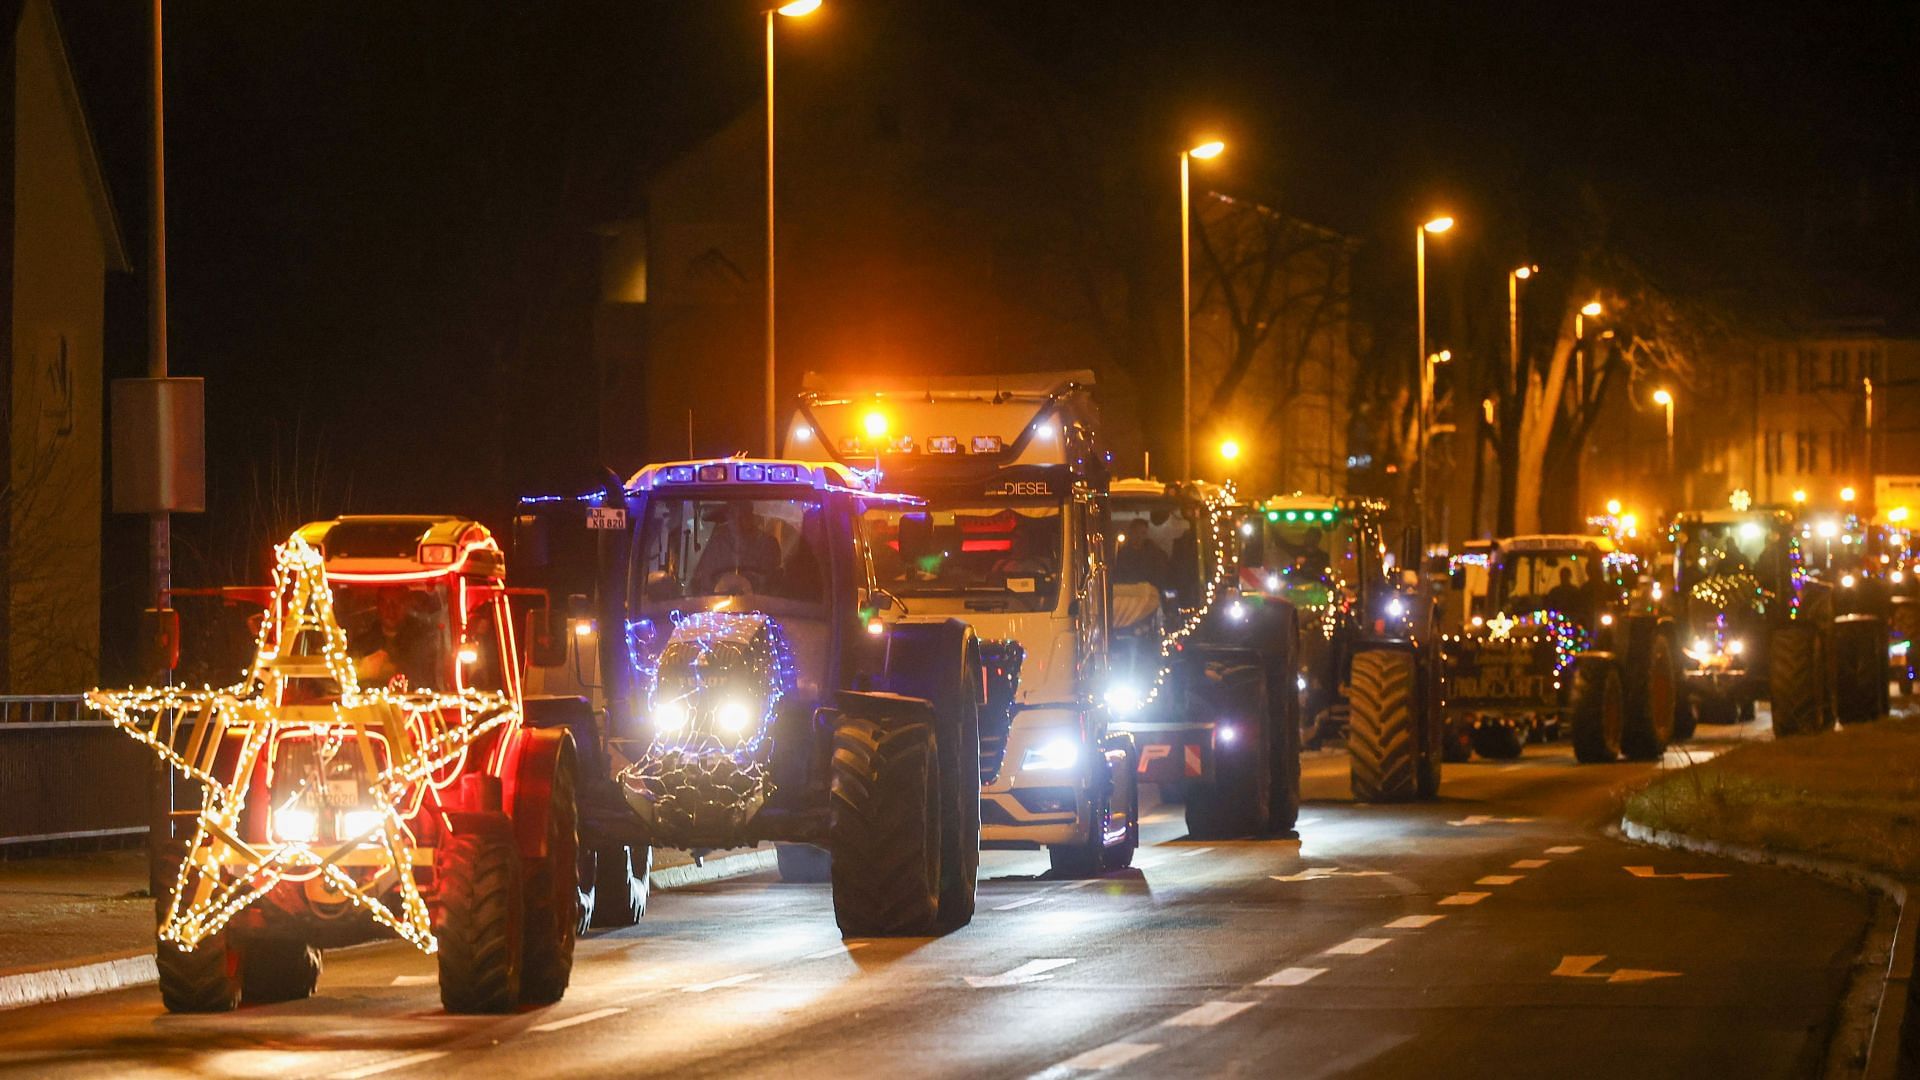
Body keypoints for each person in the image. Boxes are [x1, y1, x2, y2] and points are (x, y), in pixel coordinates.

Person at [349, 587, 441, 690]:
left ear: (407, 604)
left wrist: (396, 669)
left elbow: (430, 680)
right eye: (385, 603)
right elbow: (348, 682)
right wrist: (365, 672)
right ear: (378, 605)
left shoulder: (424, 641)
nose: (391, 609)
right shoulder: (362, 645)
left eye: (397, 602)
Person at [694, 502, 783, 593]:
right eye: (732, 514)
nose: (738, 521)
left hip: (760, 605)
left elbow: (772, 584)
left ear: (750, 516)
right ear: (727, 516)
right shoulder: (715, 545)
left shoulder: (767, 545)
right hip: (718, 605)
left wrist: (751, 583)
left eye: (743, 515)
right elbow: (705, 583)